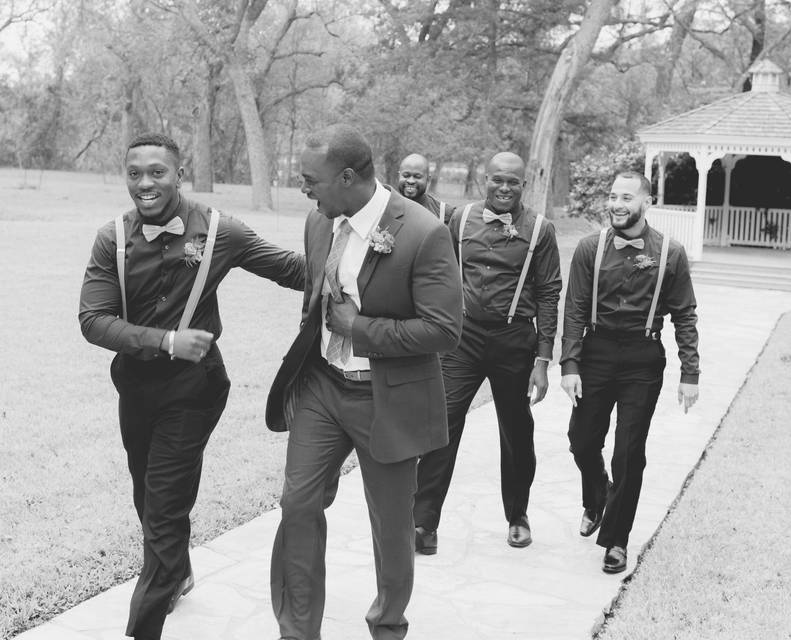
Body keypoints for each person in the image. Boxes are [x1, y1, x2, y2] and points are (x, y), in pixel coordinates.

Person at [78, 132, 305, 640]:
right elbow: (93, 319)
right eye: (134, 173)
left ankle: (144, 627)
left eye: (157, 171)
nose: (145, 183)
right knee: (146, 495)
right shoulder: (111, 237)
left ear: (178, 174)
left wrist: (361, 267)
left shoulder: (220, 230)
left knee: (163, 513)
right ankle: (177, 569)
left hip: (194, 389)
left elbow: (289, 269)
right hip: (136, 386)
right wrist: (165, 341)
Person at [265, 125, 462, 640]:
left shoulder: (422, 232)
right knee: (297, 504)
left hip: (387, 398)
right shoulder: (319, 220)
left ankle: (388, 624)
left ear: (348, 176)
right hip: (322, 387)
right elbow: (317, 285)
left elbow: (444, 329)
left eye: (312, 180)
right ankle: (298, 630)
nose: (304, 189)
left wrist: (359, 328)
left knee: (391, 526)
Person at [413, 151, 562, 554]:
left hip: (514, 341)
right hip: (462, 338)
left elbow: (550, 293)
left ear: (523, 185)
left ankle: (517, 515)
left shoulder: (540, 230)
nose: (504, 188)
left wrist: (543, 360)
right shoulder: (459, 220)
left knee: (516, 430)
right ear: (484, 180)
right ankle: (423, 524)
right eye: (497, 180)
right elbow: (435, 270)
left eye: (513, 182)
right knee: (442, 423)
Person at [559, 171, 700, 574]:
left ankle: (616, 541)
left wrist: (690, 372)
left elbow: (685, 314)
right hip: (596, 352)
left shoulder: (670, 252)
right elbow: (574, 309)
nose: (617, 204)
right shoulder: (590, 248)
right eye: (613, 196)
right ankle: (596, 496)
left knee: (628, 453)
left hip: (643, 356)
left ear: (645, 202)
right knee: (582, 441)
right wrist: (569, 364)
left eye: (627, 197)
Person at [396, 153, 453, 224]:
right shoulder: (386, 207)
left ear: (428, 179)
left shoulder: (444, 213)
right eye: (406, 175)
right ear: (399, 176)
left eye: (417, 176)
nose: (411, 181)